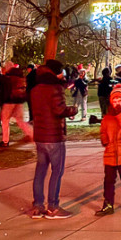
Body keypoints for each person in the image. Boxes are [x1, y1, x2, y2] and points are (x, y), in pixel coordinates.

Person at [30, 59, 78, 219]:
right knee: (57, 171)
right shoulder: (54, 88)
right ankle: (53, 206)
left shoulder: (35, 88)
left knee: (40, 171)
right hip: (54, 135)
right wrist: (72, 110)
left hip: (40, 135)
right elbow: (59, 110)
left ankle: (37, 206)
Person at [95, 84, 121, 216]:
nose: (117, 103)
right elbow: (103, 130)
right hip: (110, 154)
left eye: (119, 101)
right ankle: (108, 204)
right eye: (114, 101)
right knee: (108, 181)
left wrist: (120, 113)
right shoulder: (107, 117)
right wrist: (104, 139)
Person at [0, 62, 34, 148]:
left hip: (9, 101)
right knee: (20, 121)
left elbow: (4, 89)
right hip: (19, 101)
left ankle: (5, 140)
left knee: (5, 120)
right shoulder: (20, 76)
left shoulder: (8, 77)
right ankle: (34, 135)